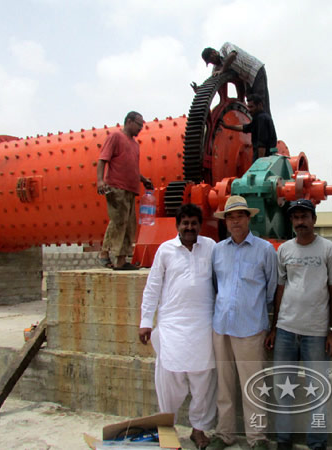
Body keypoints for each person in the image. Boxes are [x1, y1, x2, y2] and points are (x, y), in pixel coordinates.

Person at [264, 199, 332, 450]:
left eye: (304, 217)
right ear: (291, 221)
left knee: (317, 392)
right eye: (295, 218)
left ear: (314, 219)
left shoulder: (329, 250)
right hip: (286, 332)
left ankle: (317, 442)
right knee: (283, 390)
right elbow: (280, 289)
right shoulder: (284, 250)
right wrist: (274, 328)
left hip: (316, 334)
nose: (300, 222)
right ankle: (284, 440)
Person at [139, 204, 217, 448]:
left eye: (194, 223)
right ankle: (166, 428)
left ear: (200, 225)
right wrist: (145, 322)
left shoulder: (211, 247)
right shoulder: (165, 250)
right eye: (185, 223)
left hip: (203, 326)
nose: (189, 227)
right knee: (168, 379)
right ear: (177, 226)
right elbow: (152, 287)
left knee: (203, 381)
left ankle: (199, 430)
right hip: (172, 325)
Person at [209, 195, 277, 450]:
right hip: (221, 327)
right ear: (225, 222)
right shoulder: (218, 251)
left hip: (250, 329)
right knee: (224, 385)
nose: (235, 221)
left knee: (254, 386)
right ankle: (224, 434)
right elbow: (216, 286)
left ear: (249, 219)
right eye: (230, 217)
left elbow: (272, 290)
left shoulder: (265, 250)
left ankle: (257, 438)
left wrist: (266, 322)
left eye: (240, 216)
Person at [97, 111, 153, 270]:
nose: (140, 128)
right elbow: (103, 159)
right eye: (139, 125)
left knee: (127, 224)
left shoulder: (135, 145)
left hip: (130, 189)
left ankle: (113, 257)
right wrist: (100, 181)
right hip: (116, 186)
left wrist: (143, 180)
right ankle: (114, 257)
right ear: (129, 121)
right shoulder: (116, 137)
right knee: (119, 221)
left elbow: (132, 167)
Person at [201, 43, 272, 117]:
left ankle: (265, 122)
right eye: (210, 62)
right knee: (251, 103)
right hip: (247, 79)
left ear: (214, 52)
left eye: (211, 60)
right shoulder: (217, 66)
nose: (213, 63)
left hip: (255, 70)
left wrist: (222, 70)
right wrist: (201, 90)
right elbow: (213, 82)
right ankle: (255, 122)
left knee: (260, 101)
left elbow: (233, 55)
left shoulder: (226, 47)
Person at [220, 94, 277, 160]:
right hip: (269, 157)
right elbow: (245, 128)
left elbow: (262, 144)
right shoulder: (260, 118)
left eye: (251, 107)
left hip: (264, 158)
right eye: (248, 107)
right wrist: (227, 126)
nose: (249, 110)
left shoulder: (261, 119)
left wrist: (260, 163)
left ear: (260, 105)